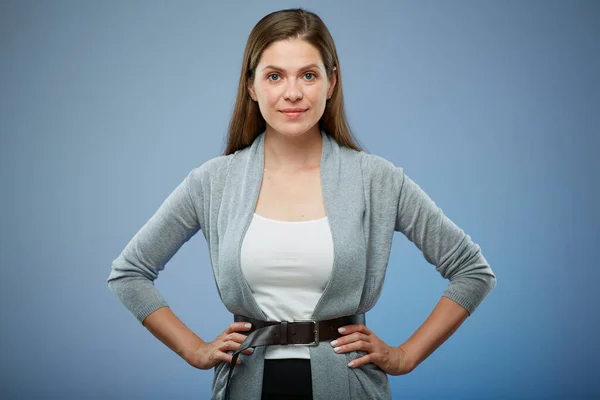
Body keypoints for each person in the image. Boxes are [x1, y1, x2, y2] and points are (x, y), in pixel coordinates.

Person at [107, 8, 497, 400]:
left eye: (308, 75)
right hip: (245, 387)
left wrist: (406, 356)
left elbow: (472, 272)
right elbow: (129, 274)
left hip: (347, 387)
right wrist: (193, 349)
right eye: (274, 76)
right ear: (251, 86)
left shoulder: (376, 179)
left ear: (331, 83)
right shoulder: (213, 182)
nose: (292, 93)